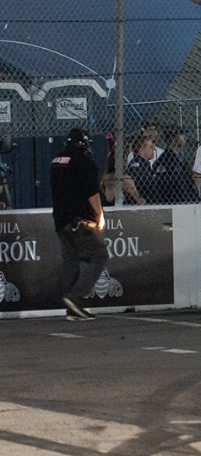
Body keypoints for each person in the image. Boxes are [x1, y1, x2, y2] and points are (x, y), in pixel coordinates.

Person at [52, 127, 105, 321]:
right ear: (82, 144)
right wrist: (99, 215)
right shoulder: (84, 162)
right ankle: (75, 297)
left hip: (60, 220)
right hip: (80, 222)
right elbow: (92, 192)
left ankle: (72, 308)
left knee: (71, 262)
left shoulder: (57, 161)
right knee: (99, 255)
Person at [154, 127, 195, 203]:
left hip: (184, 200)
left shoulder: (180, 158)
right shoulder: (166, 159)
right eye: (181, 135)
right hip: (175, 200)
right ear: (174, 138)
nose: (184, 137)